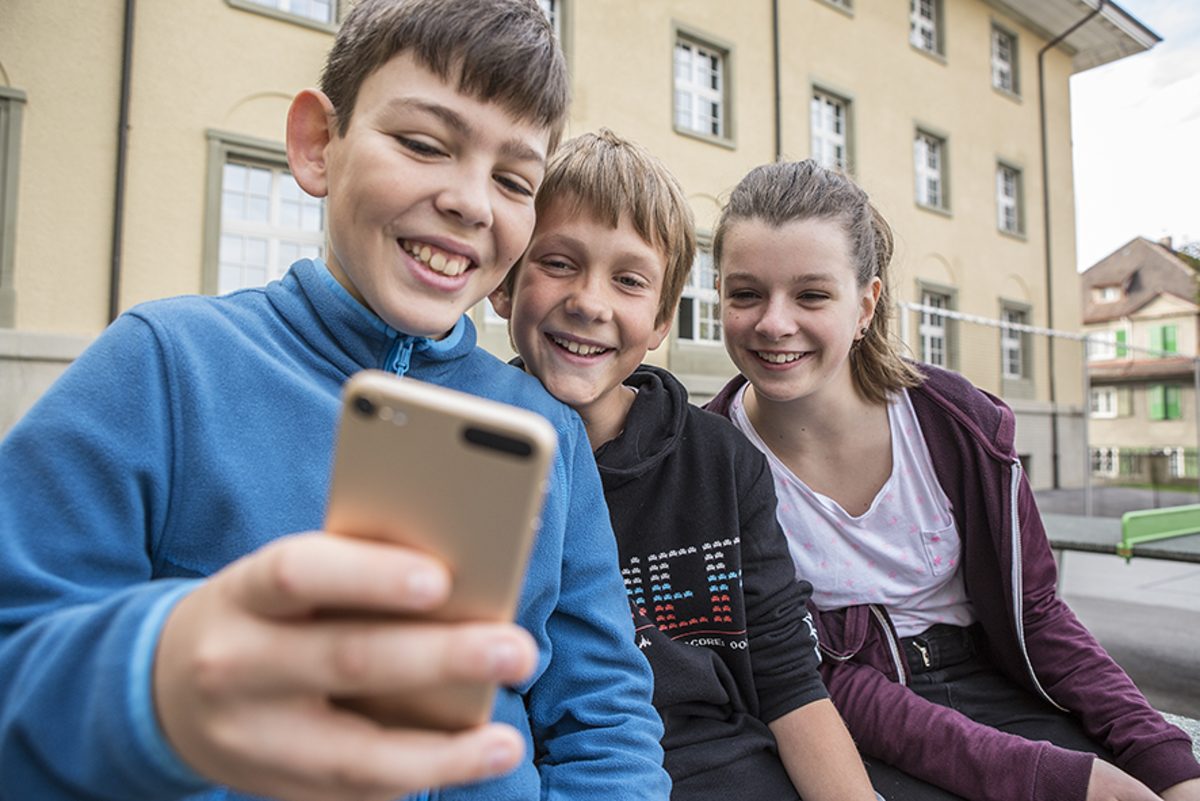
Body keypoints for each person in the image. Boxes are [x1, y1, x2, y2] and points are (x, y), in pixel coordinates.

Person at [0, 2, 672, 799]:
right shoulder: (166, 364)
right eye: (424, 144)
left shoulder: (547, 436)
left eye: (514, 179)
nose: (471, 201)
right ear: (319, 145)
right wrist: (159, 681)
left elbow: (607, 715)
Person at [702, 159, 1200, 801]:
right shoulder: (711, 464)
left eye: (812, 295)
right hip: (853, 723)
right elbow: (810, 680)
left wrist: (1167, 761)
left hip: (996, 682)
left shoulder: (957, 422)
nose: (774, 322)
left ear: (866, 304)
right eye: (745, 294)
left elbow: (1038, 615)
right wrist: (1046, 777)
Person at [488, 129, 878, 800]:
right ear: (503, 285)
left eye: (629, 279)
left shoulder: (724, 464)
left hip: (725, 770)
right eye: (557, 262)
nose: (590, 301)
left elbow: (788, 681)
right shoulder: (469, 448)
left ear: (664, 317)